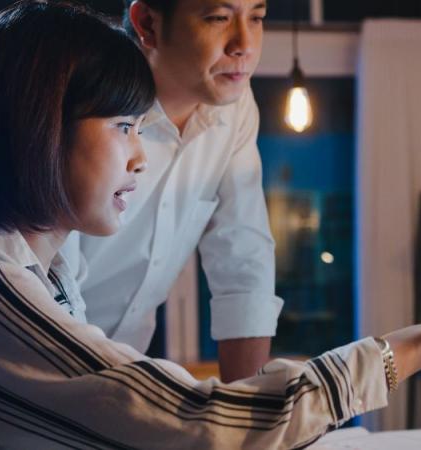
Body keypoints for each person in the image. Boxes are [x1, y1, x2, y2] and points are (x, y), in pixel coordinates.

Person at [0, 2, 421, 448]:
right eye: (123, 127)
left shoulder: (31, 271)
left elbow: (243, 262)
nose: (137, 154)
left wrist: (259, 413)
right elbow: (189, 423)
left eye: (259, 14)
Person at [59, 0, 279, 382]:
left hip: (121, 374)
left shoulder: (236, 109)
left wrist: (249, 423)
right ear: (148, 23)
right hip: (37, 363)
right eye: (219, 18)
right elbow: (53, 283)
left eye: (257, 18)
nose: (244, 43)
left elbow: (244, 266)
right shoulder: (88, 100)